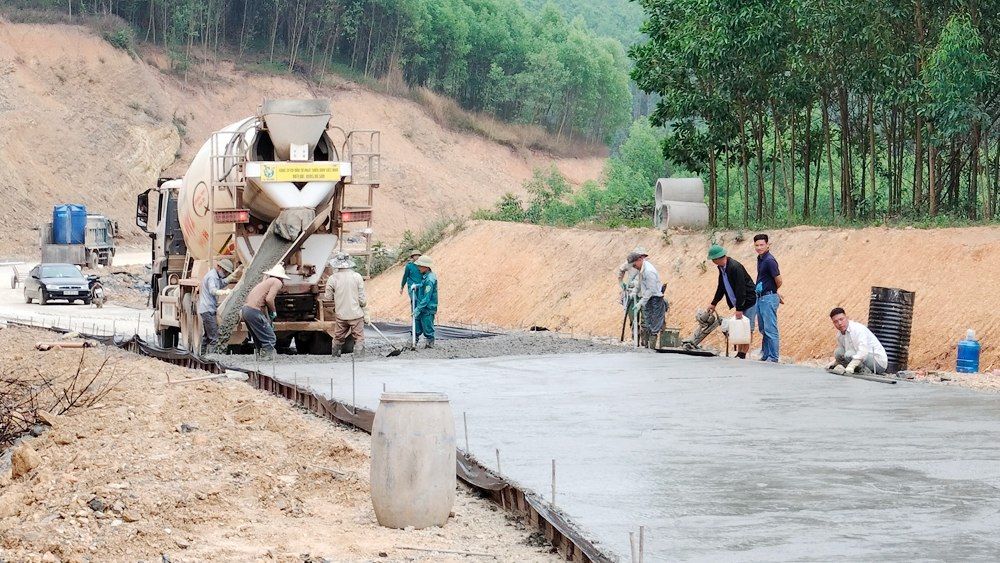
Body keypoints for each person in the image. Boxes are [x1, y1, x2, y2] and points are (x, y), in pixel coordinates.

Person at [706, 244, 756, 359]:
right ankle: (740, 352)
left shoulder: (734, 267)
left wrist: (739, 308)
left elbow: (740, 289)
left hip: (748, 300)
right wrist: (714, 302)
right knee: (739, 326)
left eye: (713, 259)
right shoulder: (722, 268)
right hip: (740, 301)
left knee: (747, 327)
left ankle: (743, 353)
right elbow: (721, 286)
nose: (713, 261)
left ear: (717, 258)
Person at [324, 252, 370, 357]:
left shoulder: (333, 278)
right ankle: (359, 356)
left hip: (341, 314)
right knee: (359, 337)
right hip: (356, 314)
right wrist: (365, 310)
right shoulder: (357, 276)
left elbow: (328, 297)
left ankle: (335, 355)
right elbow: (362, 298)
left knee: (338, 337)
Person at [242, 263, 289, 360]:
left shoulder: (266, 282)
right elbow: (269, 299)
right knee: (270, 338)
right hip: (254, 311)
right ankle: (267, 357)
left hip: (246, 310)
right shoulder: (276, 282)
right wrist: (274, 310)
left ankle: (260, 355)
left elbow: (263, 305)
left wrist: (268, 319)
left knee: (259, 337)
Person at [747, 234, 782, 362]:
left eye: (762, 245)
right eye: (757, 245)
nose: (759, 247)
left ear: (768, 245)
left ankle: (773, 357)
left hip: (768, 297)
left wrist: (773, 291)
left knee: (770, 329)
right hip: (761, 298)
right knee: (763, 328)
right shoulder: (760, 259)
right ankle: (766, 355)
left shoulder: (769, 261)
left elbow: (778, 280)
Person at [197, 258, 241, 355]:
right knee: (214, 337)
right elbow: (213, 290)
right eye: (225, 272)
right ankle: (213, 358)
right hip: (208, 310)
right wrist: (224, 292)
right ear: (220, 267)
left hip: (206, 309)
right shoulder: (212, 277)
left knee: (207, 336)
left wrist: (232, 277)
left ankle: (201, 355)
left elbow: (221, 283)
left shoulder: (215, 276)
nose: (225, 274)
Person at [826, 308, 888, 374]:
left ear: (847, 318)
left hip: (877, 363)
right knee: (838, 352)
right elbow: (843, 352)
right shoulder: (840, 334)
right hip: (860, 358)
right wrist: (836, 362)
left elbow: (863, 352)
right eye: (836, 322)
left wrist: (852, 365)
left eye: (841, 319)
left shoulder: (857, 329)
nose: (840, 323)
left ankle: (866, 371)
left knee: (849, 354)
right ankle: (858, 369)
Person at [630, 251, 667, 344]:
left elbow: (650, 289)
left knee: (654, 324)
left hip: (655, 299)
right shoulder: (642, 269)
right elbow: (640, 281)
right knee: (647, 322)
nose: (634, 267)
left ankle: (652, 347)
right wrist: (635, 291)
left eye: (634, 265)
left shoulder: (649, 271)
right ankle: (646, 346)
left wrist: (640, 303)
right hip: (648, 298)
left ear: (639, 260)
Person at [413, 254, 438, 349]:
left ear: (426, 267)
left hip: (427, 308)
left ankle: (429, 345)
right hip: (422, 307)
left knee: (427, 327)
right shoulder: (426, 277)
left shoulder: (430, 280)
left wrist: (418, 308)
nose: (418, 267)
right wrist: (418, 286)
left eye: (420, 266)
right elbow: (423, 287)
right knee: (416, 326)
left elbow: (427, 297)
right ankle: (412, 342)